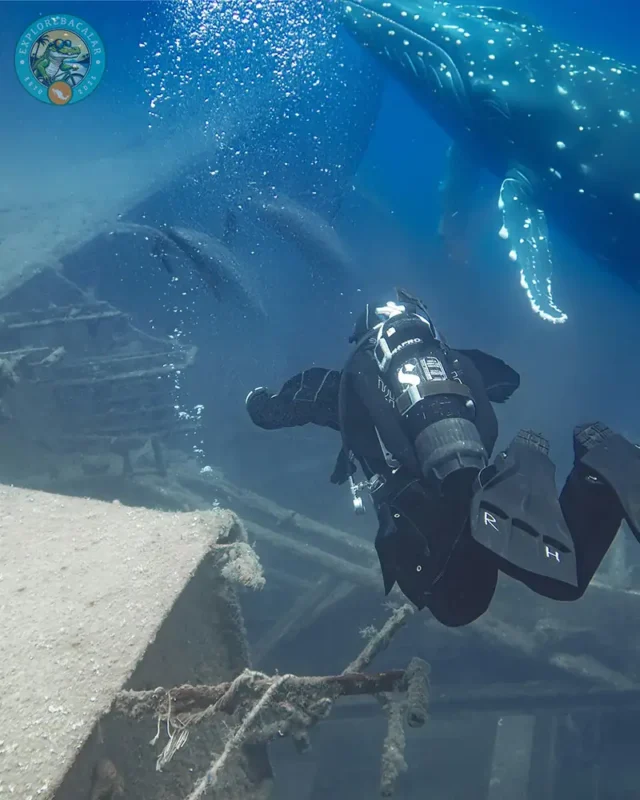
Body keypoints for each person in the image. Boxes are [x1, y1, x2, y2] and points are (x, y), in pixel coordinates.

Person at [245, 288, 640, 626]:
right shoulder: (450, 362)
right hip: (480, 487)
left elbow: (289, 405)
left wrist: (259, 407)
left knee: (456, 605)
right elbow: (507, 379)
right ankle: (587, 470)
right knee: (561, 580)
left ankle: (543, 465)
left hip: (425, 516)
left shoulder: (350, 383)